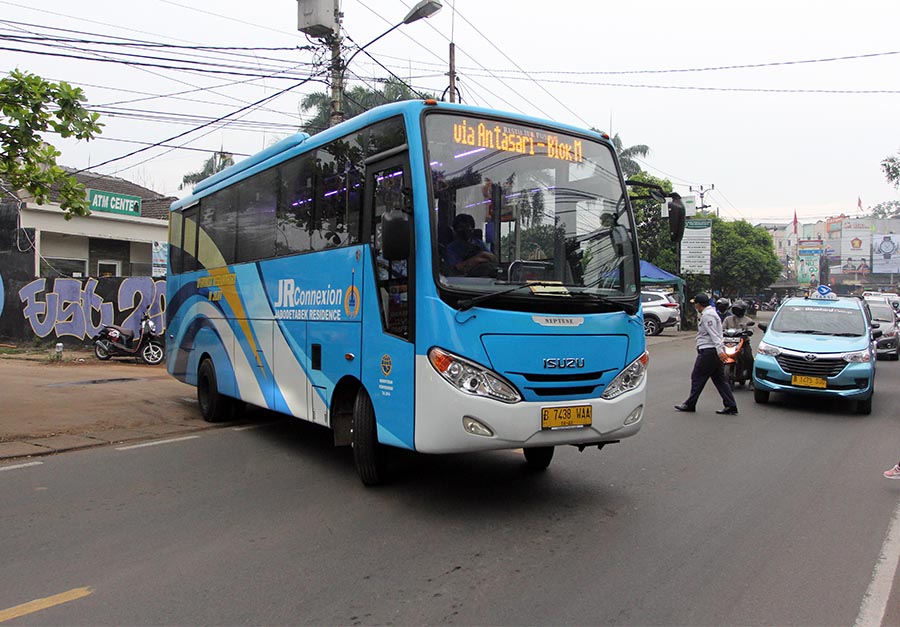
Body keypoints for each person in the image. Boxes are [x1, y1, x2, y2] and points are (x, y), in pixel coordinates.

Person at [675, 293, 739, 414]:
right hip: (712, 351)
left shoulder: (708, 316)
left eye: (695, 304)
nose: (695, 306)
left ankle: (690, 404)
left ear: (699, 305)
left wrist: (720, 351)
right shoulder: (709, 314)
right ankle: (731, 405)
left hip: (709, 352)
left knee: (697, 377)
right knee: (720, 380)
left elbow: (714, 334)